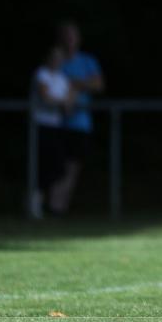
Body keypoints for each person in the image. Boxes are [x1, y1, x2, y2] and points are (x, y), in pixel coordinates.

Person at [55, 21, 104, 215]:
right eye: (66, 35)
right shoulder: (57, 59)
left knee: (73, 166)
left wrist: (74, 84)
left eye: (72, 35)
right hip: (56, 122)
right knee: (56, 165)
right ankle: (53, 205)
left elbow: (98, 85)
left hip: (80, 123)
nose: (69, 40)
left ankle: (60, 206)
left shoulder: (87, 61)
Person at [29, 46, 75, 218]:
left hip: (57, 125)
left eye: (59, 58)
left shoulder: (63, 78)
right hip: (41, 125)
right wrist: (63, 101)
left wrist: (65, 101)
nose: (57, 61)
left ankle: (46, 202)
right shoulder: (41, 74)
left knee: (58, 166)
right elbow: (46, 96)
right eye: (54, 57)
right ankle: (35, 203)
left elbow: (69, 103)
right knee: (41, 164)